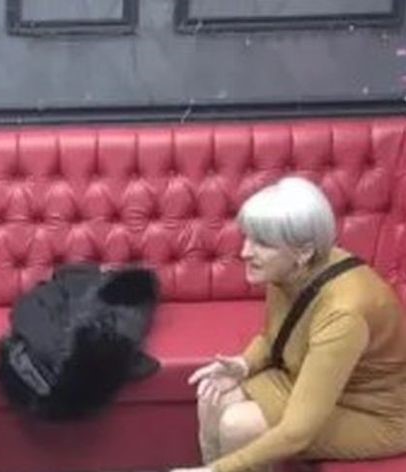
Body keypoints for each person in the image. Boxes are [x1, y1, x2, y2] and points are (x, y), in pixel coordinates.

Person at [174, 177, 406, 472]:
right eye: (248, 237)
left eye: (262, 243)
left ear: (304, 252)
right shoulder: (291, 270)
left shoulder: (344, 314)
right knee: (213, 396)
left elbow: (298, 433)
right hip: (310, 377)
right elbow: (274, 337)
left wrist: (216, 470)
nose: (245, 252)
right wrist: (244, 364)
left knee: (238, 426)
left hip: (372, 411)